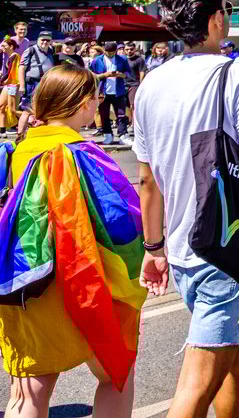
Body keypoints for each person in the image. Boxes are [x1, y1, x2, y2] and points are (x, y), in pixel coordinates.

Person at [132, 0, 239, 418]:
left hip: (183, 244)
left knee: (230, 365)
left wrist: (153, 248)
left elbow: (147, 181)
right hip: (231, 244)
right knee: (198, 382)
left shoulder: (151, 83)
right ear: (216, 19)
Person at [0, 64, 146, 418]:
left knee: (31, 391)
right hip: (85, 282)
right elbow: (119, 220)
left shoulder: (17, 150)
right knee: (115, 375)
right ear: (82, 103)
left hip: (28, 284)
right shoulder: (83, 153)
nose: (97, 105)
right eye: (95, 98)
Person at [89, 41, 130, 145]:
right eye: (108, 52)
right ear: (104, 51)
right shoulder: (97, 60)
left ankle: (123, 135)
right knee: (104, 114)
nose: (110, 54)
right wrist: (104, 75)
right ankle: (107, 134)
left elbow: (128, 72)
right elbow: (91, 74)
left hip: (118, 91)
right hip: (103, 91)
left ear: (116, 51)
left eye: (112, 52)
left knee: (121, 114)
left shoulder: (122, 59)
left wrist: (121, 75)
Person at [122, 42, 146, 136]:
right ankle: (129, 122)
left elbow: (142, 72)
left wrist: (141, 84)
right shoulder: (122, 59)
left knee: (133, 105)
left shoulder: (139, 59)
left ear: (135, 49)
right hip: (123, 84)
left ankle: (134, 125)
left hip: (134, 84)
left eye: (131, 49)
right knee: (125, 106)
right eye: (127, 49)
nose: (129, 51)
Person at [1, 38, 20, 136]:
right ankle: (2, 131)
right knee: (1, 107)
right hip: (8, 85)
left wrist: (1, 81)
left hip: (12, 85)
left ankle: (29, 118)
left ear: (11, 47)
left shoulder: (14, 56)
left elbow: (10, 73)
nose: (2, 48)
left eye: (4, 46)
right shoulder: (8, 57)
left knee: (12, 110)